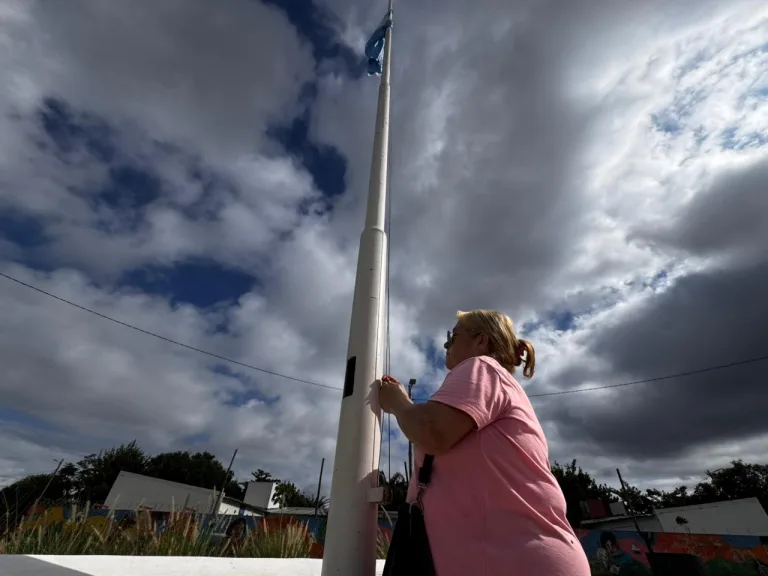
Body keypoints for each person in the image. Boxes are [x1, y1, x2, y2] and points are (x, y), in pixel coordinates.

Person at [379, 309, 591, 576]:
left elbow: (431, 431)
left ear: (481, 341)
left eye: (452, 337)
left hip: (513, 562)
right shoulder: (500, 383)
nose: (446, 345)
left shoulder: (482, 367)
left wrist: (398, 402)